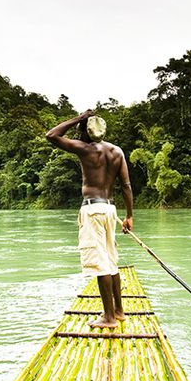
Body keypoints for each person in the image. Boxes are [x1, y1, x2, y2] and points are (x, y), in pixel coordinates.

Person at [46, 109, 134, 328]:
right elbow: (126, 186)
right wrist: (129, 216)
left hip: (92, 210)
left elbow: (51, 135)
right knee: (111, 261)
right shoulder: (117, 151)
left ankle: (109, 318)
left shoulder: (85, 150)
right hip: (110, 209)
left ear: (87, 131)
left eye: (80, 131)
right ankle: (119, 311)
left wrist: (79, 118)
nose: (77, 135)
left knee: (100, 264)